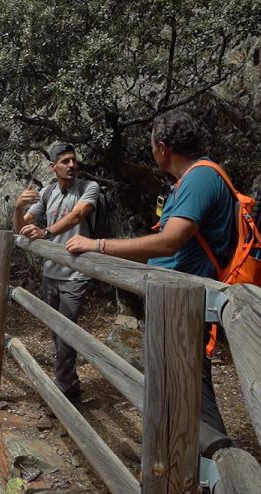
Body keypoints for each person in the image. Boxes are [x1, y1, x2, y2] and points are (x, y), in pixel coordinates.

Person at [65, 111, 230, 434]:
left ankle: (215, 460)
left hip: (184, 303)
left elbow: (169, 242)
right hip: (173, 300)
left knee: (194, 392)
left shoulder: (200, 178)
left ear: (163, 148)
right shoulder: (191, 180)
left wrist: (97, 245)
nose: (152, 152)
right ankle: (182, 452)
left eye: (153, 146)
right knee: (177, 388)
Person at [14, 142, 100, 403]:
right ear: (53, 167)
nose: (72, 165)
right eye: (65, 161)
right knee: (56, 329)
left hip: (76, 274)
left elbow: (78, 214)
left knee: (65, 331)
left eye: (73, 160)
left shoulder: (88, 187)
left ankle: (63, 392)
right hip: (50, 272)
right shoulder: (48, 192)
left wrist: (47, 231)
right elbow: (21, 228)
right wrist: (18, 208)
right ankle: (70, 384)